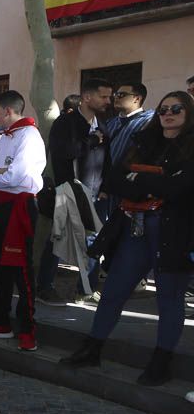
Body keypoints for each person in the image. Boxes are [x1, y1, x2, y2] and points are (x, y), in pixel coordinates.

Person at [62, 91, 194, 385]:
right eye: (163, 110)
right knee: (113, 291)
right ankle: (92, 348)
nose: (168, 114)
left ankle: (162, 362)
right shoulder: (145, 141)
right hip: (135, 226)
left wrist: (142, 181)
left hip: (174, 232)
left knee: (169, 300)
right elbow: (114, 180)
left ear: (188, 114)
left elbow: (180, 189)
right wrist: (155, 184)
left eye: (176, 109)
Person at [0, 90, 46, 351]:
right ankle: (0, 320)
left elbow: (17, 176)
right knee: (2, 265)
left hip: (20, 206)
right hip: (3, 205)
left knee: (22, 267)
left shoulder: (29, 136)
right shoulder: (5, 138)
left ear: (7, 111)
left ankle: (28, 328)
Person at [37, 78, 113, 305]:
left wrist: (106, 188)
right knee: (59, 240)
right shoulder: (66, 122)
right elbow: (64, 152)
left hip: (96, 193)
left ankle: (86, 289)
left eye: (110, 96)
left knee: (93, 242)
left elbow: (107, 159)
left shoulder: (103, 123)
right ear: (87, 97)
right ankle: (45, 288)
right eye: (104, 96)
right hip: (70, 191)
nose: (108, 101)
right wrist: (91, 140)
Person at [101, 81, 154, 205]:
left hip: (127, 186)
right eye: (115, 95)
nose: (116, 98)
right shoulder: (110, 122)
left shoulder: (149, 121)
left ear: (136, 98)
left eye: (121, 95)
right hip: (103, 185)